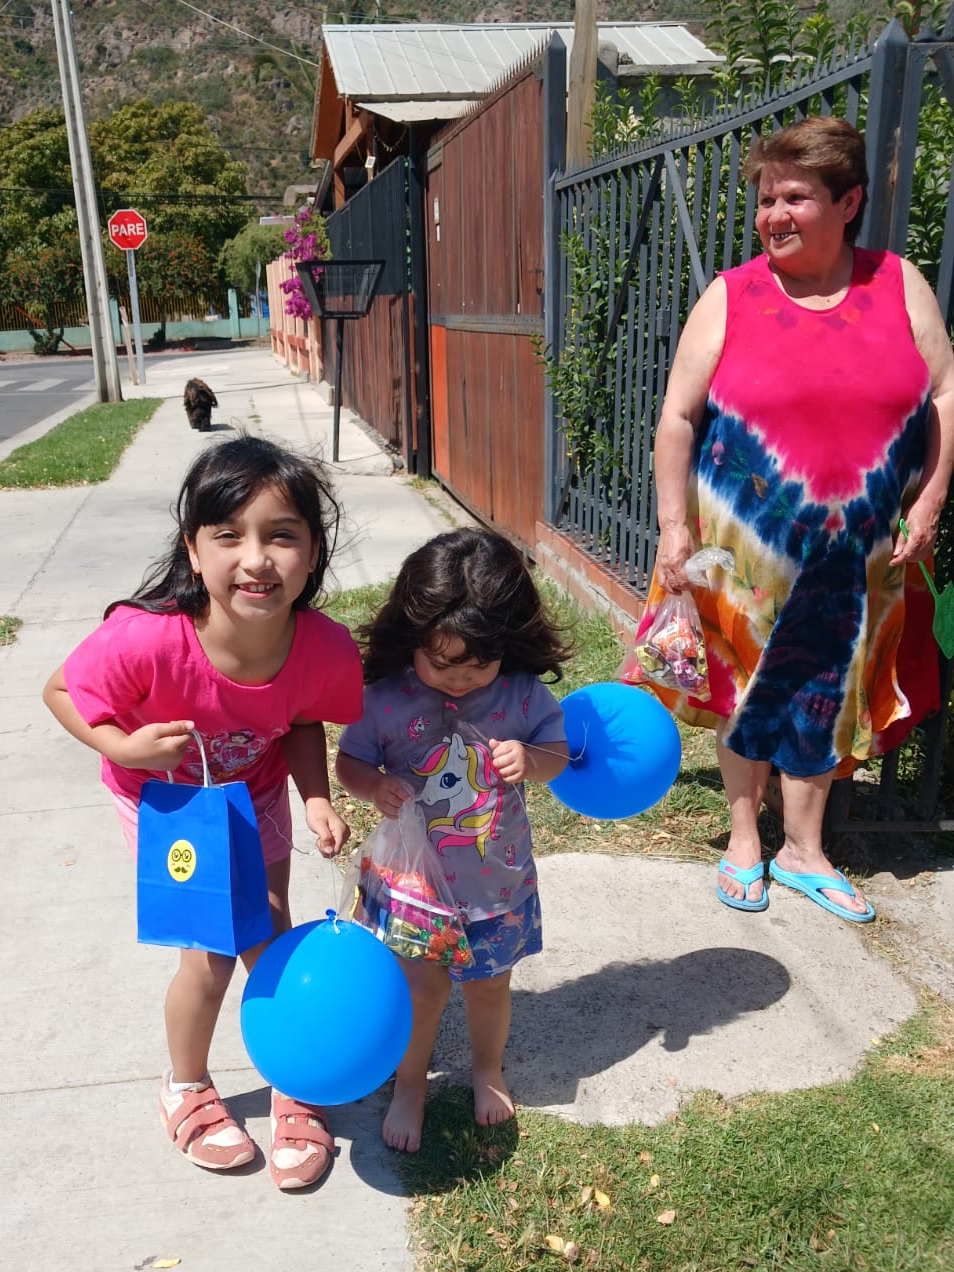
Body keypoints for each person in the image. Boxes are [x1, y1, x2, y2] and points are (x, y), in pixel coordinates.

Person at [627, 115, 954, 923]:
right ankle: (745, 837)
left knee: (832, 685)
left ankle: (805, 850)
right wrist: (673, 526)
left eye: (794, 198)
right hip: (745, 545)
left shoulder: (898, 284)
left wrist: (930, 500)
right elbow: (677, 415)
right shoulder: (732, 295)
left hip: (861, 550)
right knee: (745, 682)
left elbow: (945, 395)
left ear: (848, 203)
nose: (773, 215)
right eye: (766, 199)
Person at [43, 435, 363, 1189]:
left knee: (272, 932)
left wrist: (315, 797)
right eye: (229, 536)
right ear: (193, 550)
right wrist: (121, 746)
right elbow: (60, 691)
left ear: (313, 552)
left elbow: (303, 720)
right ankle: (185, 1084)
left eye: (281, 535)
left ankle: (292, 1072)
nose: (256, 559)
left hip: (253, 790)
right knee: (212, 952)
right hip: (168, 803)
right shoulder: (147, 638)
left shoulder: (322, 647)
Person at [335, 528, 571, 1153]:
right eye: (441, 664)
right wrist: (374, 785)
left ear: (507, 645)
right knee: (421, 990)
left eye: (477, 666)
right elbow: (349, 763)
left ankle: (487, 1070)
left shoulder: (520, 693)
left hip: (497, 885)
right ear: (412, 636)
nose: (460, 680)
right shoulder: (386, 700)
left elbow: (557, 751)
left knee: (490, 986)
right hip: (416, 889)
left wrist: (532, 760)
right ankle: (410, 1083)